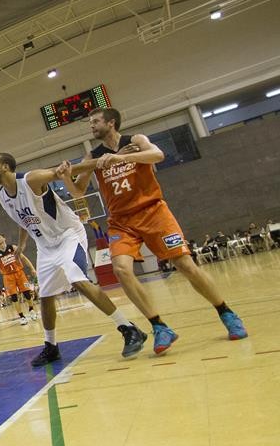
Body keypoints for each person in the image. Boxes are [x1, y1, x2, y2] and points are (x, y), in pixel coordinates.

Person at [63, 108, 248, 353]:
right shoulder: (93, 155)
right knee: (121, 270)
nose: (92, 126)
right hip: (121, 220)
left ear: (111, 122)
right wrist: (66, 176)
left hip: (153, 211)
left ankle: (226, 312)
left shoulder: (135, 141)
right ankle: (159, 326)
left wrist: (122, 158)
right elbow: (78, 191)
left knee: (185, 265)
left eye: (95, 121)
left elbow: (158, 155)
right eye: (91, 123)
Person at [0, 152, 148, 367]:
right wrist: (22, 243)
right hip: (44, 245)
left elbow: (60, 172)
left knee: (78, 280)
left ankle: (128, 328)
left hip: (67, 235)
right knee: (44, 296)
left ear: (6, 167)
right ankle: (51, 346)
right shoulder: (2, 195)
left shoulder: (30, 179)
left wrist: (102, 161)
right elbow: (23, 218)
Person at [0, 233, 39, 325]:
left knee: (27, 293)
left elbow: (24, 258)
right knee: (14, 297)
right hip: (7, 276)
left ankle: (31, 310)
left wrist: (32, 268)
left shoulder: (13, 247)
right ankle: (22, 317)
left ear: (4, 238)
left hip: (20, 273)